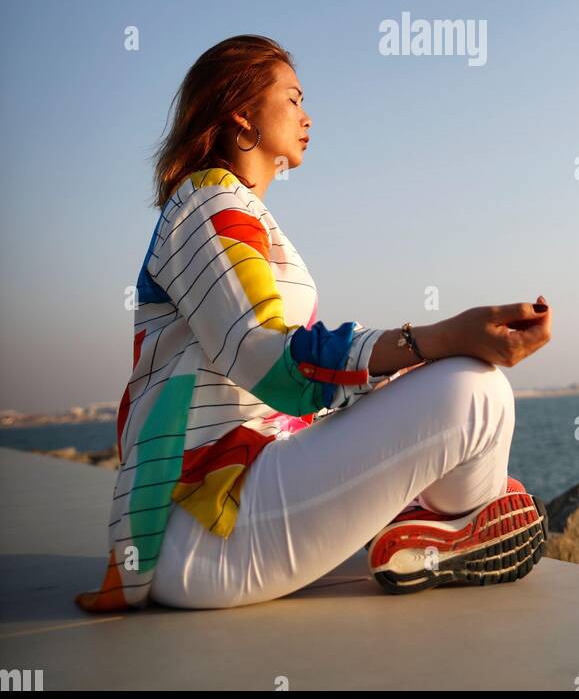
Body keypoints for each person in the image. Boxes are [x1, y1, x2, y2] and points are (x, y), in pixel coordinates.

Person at [74, 34, 552, 613]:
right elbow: (267, 358)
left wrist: (413, 365)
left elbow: (287, 388)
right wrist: (439, 337)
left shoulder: (234, 210)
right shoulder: (208, 205)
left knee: (448, 378)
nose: (308, 116)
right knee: (475, 390)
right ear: (242, 115)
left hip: (242, 500)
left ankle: (443, 522)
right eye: (294, 99)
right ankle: (460, 522)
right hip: (211, 529)